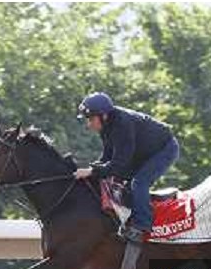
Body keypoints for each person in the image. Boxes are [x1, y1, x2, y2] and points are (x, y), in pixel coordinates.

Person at [75, 92, 180, 242]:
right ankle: (129, 217)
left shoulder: (123, 125)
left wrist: (92, 171)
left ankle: (141, 226)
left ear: (103, 116)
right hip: (143, 151)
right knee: (117, 179)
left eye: (91, 119)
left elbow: (118, 165)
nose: (89, 124)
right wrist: (93, 169)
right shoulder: (106, 126)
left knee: (139, 183)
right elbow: (107, 157)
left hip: (165, 150)